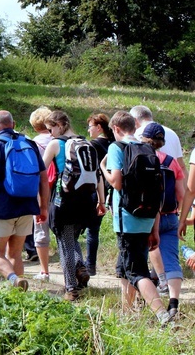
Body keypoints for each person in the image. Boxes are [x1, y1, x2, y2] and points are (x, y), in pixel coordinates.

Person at [100, 111, 173, 326]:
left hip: (127, 219)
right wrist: (155, 229)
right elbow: (157, 192)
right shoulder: (148, 148)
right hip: (147, 217)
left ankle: (161, 314)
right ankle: (127, 311)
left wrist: (103, 167)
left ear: (116, 129)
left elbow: (117, 182)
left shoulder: (117, 147)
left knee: (136, 271)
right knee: (124, 267)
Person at [0, 110, 49, 292]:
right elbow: (43, 179)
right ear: (13, 125)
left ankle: (13, 279)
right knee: (15, 254)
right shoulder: (29, 144)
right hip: (27, 207)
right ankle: (18, 295)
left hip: (1, 209)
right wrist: (43, 207)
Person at [42, 110, 105, 301]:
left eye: (51, 128)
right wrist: (101, 201)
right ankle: (80, 267)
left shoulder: (55, 144)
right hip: (86, 200)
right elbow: (98, 175)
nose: (50, 133)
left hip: (64, 201)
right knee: (72, 238)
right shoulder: (87, 143)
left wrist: (40, 199)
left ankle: (71, 288)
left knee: (65, 243)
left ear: (60, 125)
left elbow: (41, 171)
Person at [140, 122, 185, 318]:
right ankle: (173, 302)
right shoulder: (171, 161)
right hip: (171, 215)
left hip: (147, 218)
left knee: (140, 257)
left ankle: (144, 302)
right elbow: (181, 193)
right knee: (172, 260)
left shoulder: (140, 159)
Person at [86, 112, 115, 275]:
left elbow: (92, 170)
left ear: (98, 128)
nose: (88, 130)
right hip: (112, 189)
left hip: (97, 191)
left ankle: (89, 265)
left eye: (90, 127)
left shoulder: (93, 145)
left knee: (91, 230)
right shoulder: (114, 143)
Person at [26, 106, 52, 276]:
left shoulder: (34, 143)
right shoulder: (59, 139)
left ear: (35, 125)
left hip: (41, 188)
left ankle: (45, 271)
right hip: (60, 187)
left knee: (41, 227)